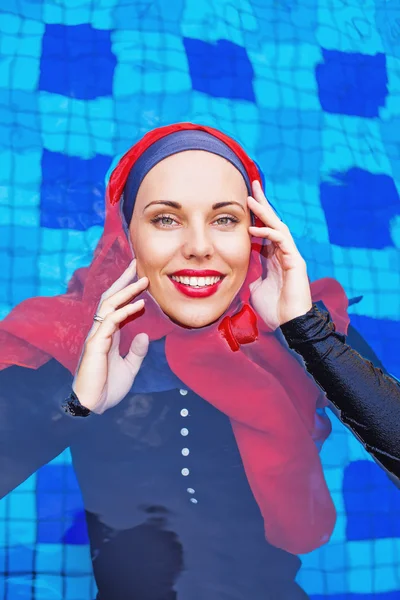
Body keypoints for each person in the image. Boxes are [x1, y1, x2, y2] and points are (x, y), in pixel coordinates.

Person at [0, 122, 399, 600]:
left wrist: (309, 336)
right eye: (166, 219)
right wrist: (74, 405)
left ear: (256, 234)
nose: (199, 246)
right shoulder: (78, 342)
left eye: (225, 219)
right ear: (127, 234)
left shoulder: (302, 326)